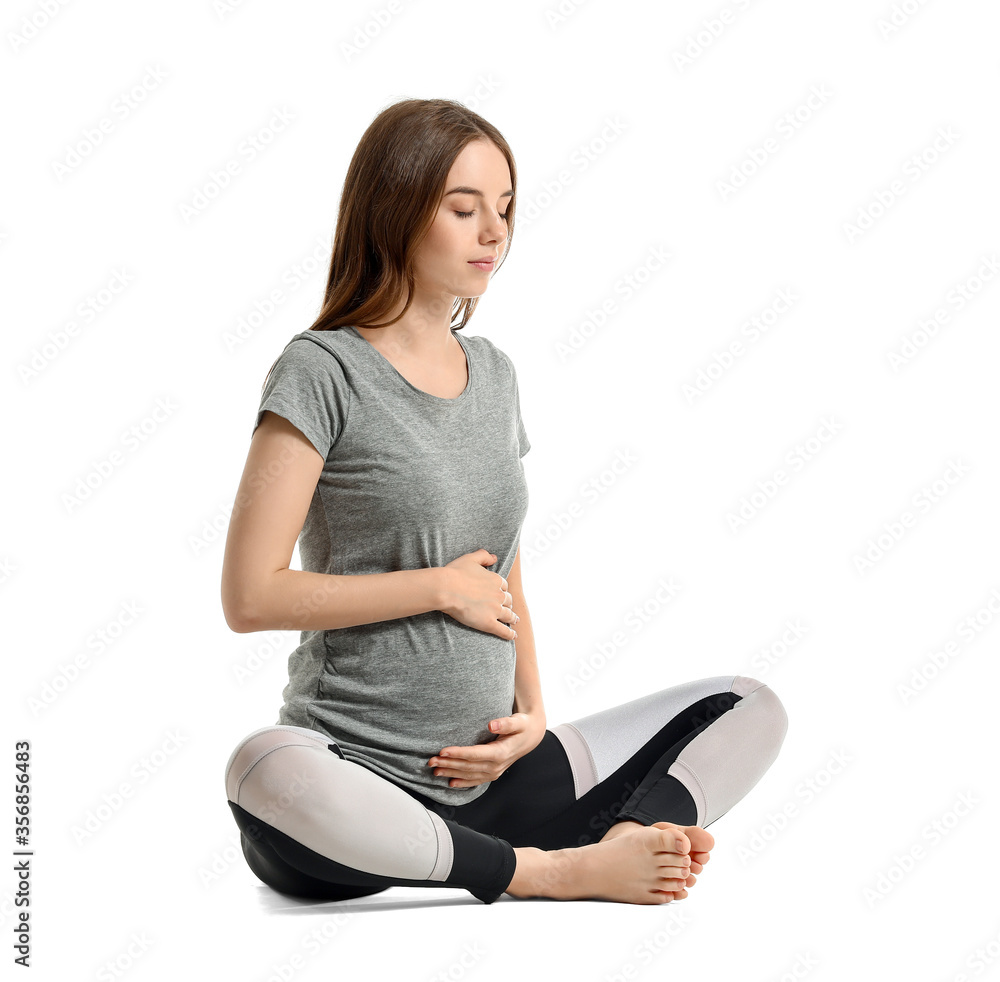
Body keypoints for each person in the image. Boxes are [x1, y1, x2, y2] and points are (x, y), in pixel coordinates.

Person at [220, 98, 788, 906]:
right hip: (353, 784)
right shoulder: (320, 371)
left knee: (749, 706)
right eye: (463, 208)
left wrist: (532, 712)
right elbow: (250, 595)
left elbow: (505, 570)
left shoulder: (495, 374)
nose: (495, 230)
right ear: (395, 209)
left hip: (500, 780)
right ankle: (549, 871)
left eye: (506, 208)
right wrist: (435, 587)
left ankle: (621, 842)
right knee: (260, 765)